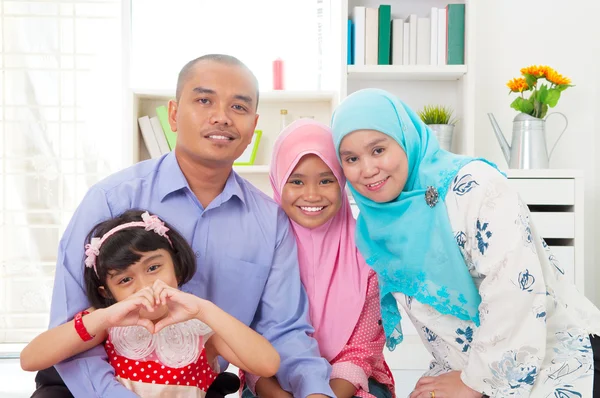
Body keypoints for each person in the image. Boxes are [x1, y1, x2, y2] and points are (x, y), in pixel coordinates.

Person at [32, 54, 334, 398]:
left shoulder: (271, 222)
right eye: (204, 100)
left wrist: (315, 392)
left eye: (238, 107)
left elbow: (284, 331)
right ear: (173, 115)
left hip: (193, 386)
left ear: (253, 126)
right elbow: (70, 326)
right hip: (91, 384)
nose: (221, 117)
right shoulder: (110, 199)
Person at [330, 88, 600, 398]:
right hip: (464, 370)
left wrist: (473, 382)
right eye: (351, 158)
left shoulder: (475, 187)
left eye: (378, 150)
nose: (367, 170)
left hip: (556, 361)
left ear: (405, 138)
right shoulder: (375, 225)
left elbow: (515, 293)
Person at [22, 210, 280, 397]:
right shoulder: (106, 323)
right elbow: (30, 359)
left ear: (177, 268)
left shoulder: (203, 330)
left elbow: (268, 364)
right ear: (107, 292)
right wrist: (103, 317)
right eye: (125, 280)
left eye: (154, 267)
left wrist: (205, 310)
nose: (144, 286)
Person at [242, 120, 395, 398]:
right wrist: (275, 393)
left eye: (326, 180)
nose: (311, 195)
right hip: (271, 381)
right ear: (277, 180)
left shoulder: (368, 250)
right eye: (297, 181)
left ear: (342, 182)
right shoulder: (259, 247)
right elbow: (246, 339)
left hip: (349, 382)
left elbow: (361, 349)